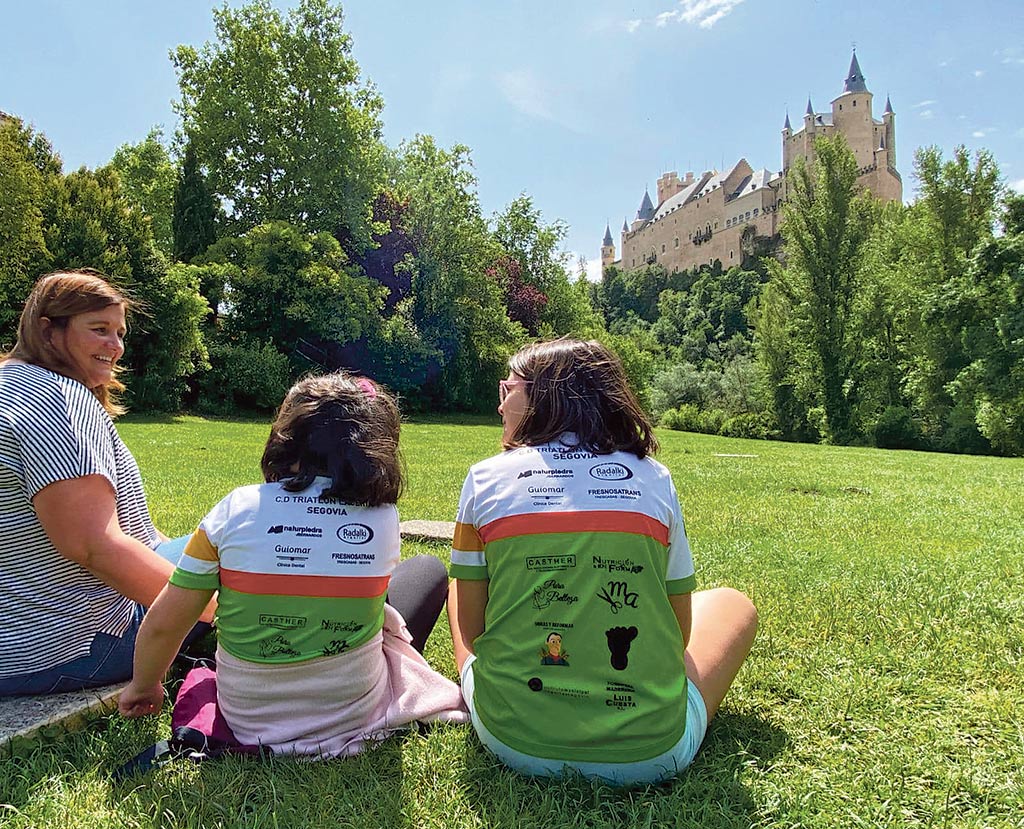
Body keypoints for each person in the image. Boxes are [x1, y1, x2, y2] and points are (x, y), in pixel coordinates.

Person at [448, 338, 757, 786]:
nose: (500, 406)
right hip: (653, 755)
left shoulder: (484, 478)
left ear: (542, 396)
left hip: (512, 742)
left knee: (462, 583)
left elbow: (473, 631)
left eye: (506, 390)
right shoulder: (654, 477)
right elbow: (680, 634)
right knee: (732, 603)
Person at [119, 372, 467, 757]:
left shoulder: (234, 508)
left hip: (247, 720)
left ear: (284, 437)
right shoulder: (383, 518)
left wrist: (144, 685)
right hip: (351, 711)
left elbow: (165, 623)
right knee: (426, 571)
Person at [0, 270, 211, 697]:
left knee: (218, 544)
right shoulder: (57, 400)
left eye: (119, 333)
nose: (115, 347)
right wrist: (210, 610)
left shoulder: (11, 383)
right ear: (48, 330)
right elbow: (96, 547)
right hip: (64, 641)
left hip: (19, 621)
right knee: (245, 561)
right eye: (99, 330)